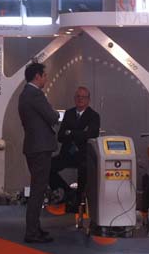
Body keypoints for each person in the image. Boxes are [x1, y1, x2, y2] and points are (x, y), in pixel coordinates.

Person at [18, 62, 59, 243]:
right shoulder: (35, 95)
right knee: (38, 190)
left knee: (38, 189)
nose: (46, 79)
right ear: (37, 76)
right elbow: (52, 116)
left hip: (33, 147)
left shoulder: (25, 95)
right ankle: (32, 232)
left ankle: (35, 227)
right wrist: (54, 113)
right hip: (40, 148)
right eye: (44, 75)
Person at [49, 86, 100, 212]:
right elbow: (61, 136)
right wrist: (80, 133)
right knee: (47, 167)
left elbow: (92, 134)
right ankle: (68, 193)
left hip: (83, 155)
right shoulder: (69, 113)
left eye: (83, 97)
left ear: (88, 100)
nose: (80, 99)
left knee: (84, 170)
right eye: (78, 96)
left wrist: (71, 132)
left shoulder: (94, 116)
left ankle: (78, 202)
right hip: (67, 153)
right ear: (74, 98)